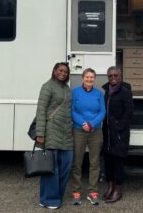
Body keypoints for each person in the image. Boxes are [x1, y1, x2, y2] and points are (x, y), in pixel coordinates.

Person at [35, 62, 73, 209]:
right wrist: (40, 133)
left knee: (65, 167)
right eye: (60, 70)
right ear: (55, 71)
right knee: (51, 168)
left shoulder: (67, 89)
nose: (63, 73)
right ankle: (48, 200)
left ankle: (56, 197)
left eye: (65, 72)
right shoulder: (47, 86)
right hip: (51, 132)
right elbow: (41, 110)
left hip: (67, 134)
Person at [71, 68, 105, 206]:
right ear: (82, 78)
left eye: (92, 77)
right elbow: (72, 110)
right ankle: (76, 191)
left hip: (95, 131)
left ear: (94, 79)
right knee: (77, 162)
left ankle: (93, 192)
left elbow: (103, 111)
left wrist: (92, 124)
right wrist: (82, 123)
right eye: (87, 77)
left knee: (94, 162)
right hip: (79, 130)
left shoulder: (99, 94)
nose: (89, 79)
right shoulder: (75, 92)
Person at [102, 66, 133, 203]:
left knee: (118, 162)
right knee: (108, 161)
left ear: (120, 76)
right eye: (110, 76)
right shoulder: (106, 91)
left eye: (115, 75)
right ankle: (110, 187)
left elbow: (129, 112)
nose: (113, 78)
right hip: (107, 133)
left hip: (119, 133)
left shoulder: (125, 91)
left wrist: (119, 126)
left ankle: (118, 190)